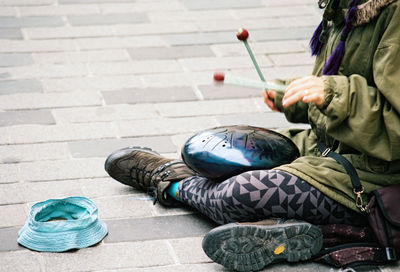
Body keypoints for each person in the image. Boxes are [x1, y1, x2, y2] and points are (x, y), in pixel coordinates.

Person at [105, 0, 400, 271]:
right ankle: (281, 226)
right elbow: (337, 86)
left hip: (373, 178)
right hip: (329, 148)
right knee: (229, 151)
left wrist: (336, 95)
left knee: (237, 194)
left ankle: (170, 181)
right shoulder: (347, 5)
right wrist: (296, 94)